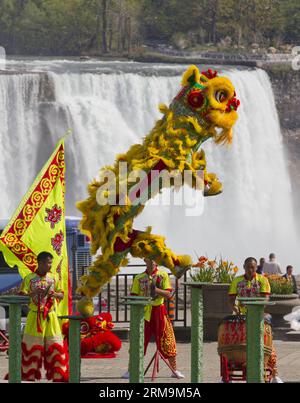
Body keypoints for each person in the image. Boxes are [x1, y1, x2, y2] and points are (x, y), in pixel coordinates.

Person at [122, 258, 184, 379]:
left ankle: (174, 370)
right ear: (145, 260)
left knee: (168, 340)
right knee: (138, 341)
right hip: (143, 313)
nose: (152, 260)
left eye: (154, 258)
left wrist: (155, 290)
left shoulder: (163, 274)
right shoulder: (138, 278)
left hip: (159, 311)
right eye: (149, 258)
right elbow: (133, 296)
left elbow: (168, 294)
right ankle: (132, 370)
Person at [228, 257, 283, 383]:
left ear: (256, 267)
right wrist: (235, 309)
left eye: (253, 267)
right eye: (248, 267)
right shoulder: (237, 281)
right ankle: (227, 376)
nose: (250, 269)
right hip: (242, 316)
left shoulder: (263, 280)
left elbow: (265, 300)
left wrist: (257, 310)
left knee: (268, 344)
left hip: (259, 316)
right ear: (244, 267)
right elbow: (231, 300)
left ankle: (274, 374)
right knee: (231, 344)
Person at [17, 252, 68, 382]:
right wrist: (33, 292)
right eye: (46, 262)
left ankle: (58, 375)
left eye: (50, 262)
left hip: (51, 316)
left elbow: (62, 295)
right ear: (39, 262)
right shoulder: (29, 278)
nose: (49, 265)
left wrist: (53, 294)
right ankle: (29, 375)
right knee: (31, 347)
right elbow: (20, 296)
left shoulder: (54, 277)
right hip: (34, 316)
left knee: (56, 345)